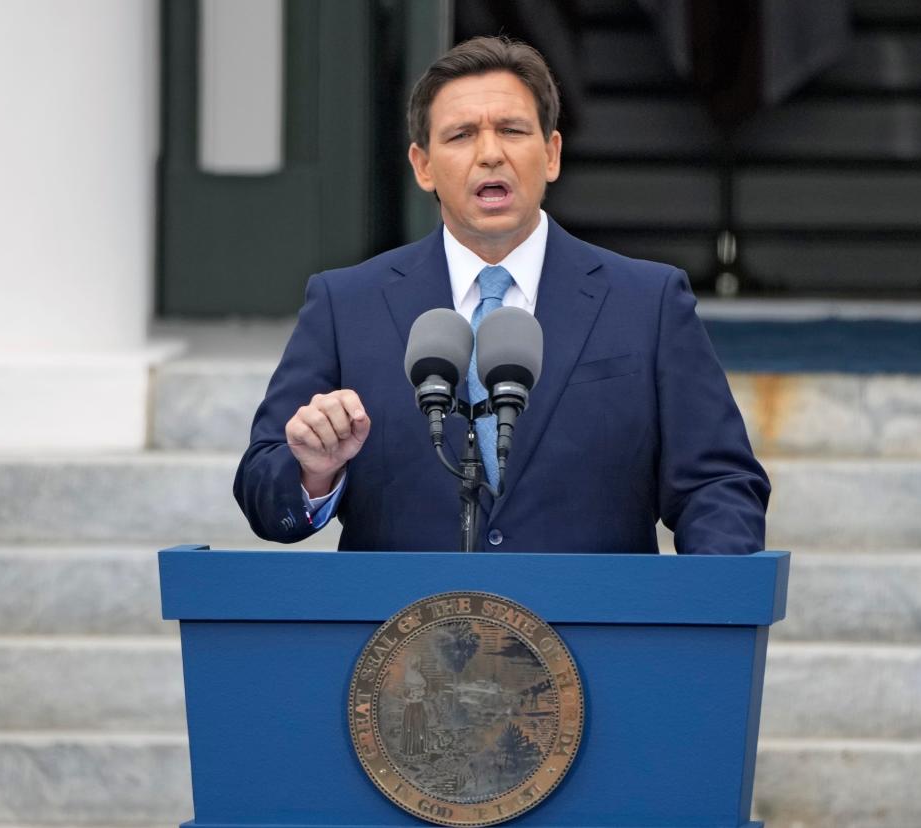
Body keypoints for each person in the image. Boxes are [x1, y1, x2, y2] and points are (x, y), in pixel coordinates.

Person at [234, 36, 768, 554]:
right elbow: (263, 492)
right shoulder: (345, 304)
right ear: (423, 166)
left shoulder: (648, 302)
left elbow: (718, 484)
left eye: (512, 130)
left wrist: (709, 612)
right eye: (462, 135)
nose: (490, 154)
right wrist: (314, 470)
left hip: (592, 636)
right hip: (405, 638)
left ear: (552, 153)